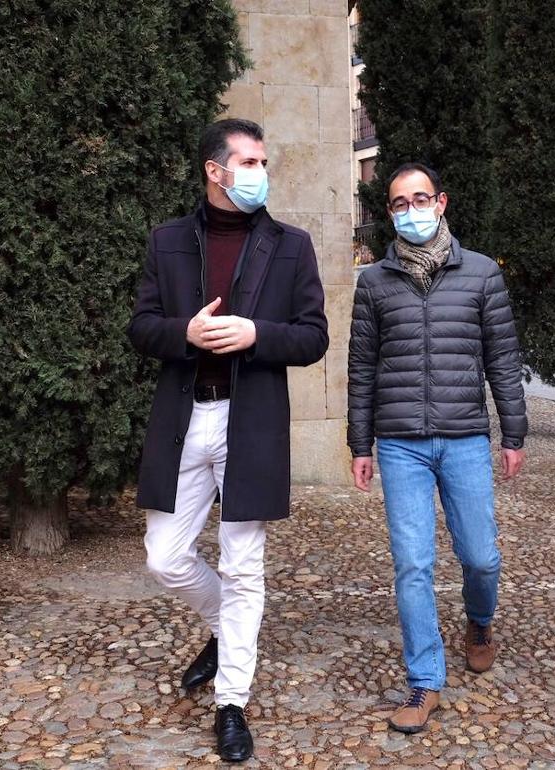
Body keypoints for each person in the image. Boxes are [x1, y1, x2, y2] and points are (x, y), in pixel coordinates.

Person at [127, 118, 329, 763]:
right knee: (165, 556)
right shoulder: (167, 241)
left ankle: (232, 701)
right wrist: (183, 333)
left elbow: (313, 335)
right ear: (215, 171)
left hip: (252, 420)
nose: (259, 172)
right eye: (248, 161)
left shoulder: (291, 245)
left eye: (263, 161)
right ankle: (224, 630)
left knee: (245, 565)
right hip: (185, 418)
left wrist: (256, 335)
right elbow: (141, 327)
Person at [348, 162, 528, 735]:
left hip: (465, 438)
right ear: (390, 213)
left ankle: (479, 621)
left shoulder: (480, 274)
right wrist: (360, 444)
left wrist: (514, 433)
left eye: (419, 199)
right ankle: (425, 680)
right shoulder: (373, 281)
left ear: (441, 202)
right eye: (399, 203)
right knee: (413, 565)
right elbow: (361, 368)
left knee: (481, 556)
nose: (411, 210)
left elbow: (502, 357)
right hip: (400, 443)